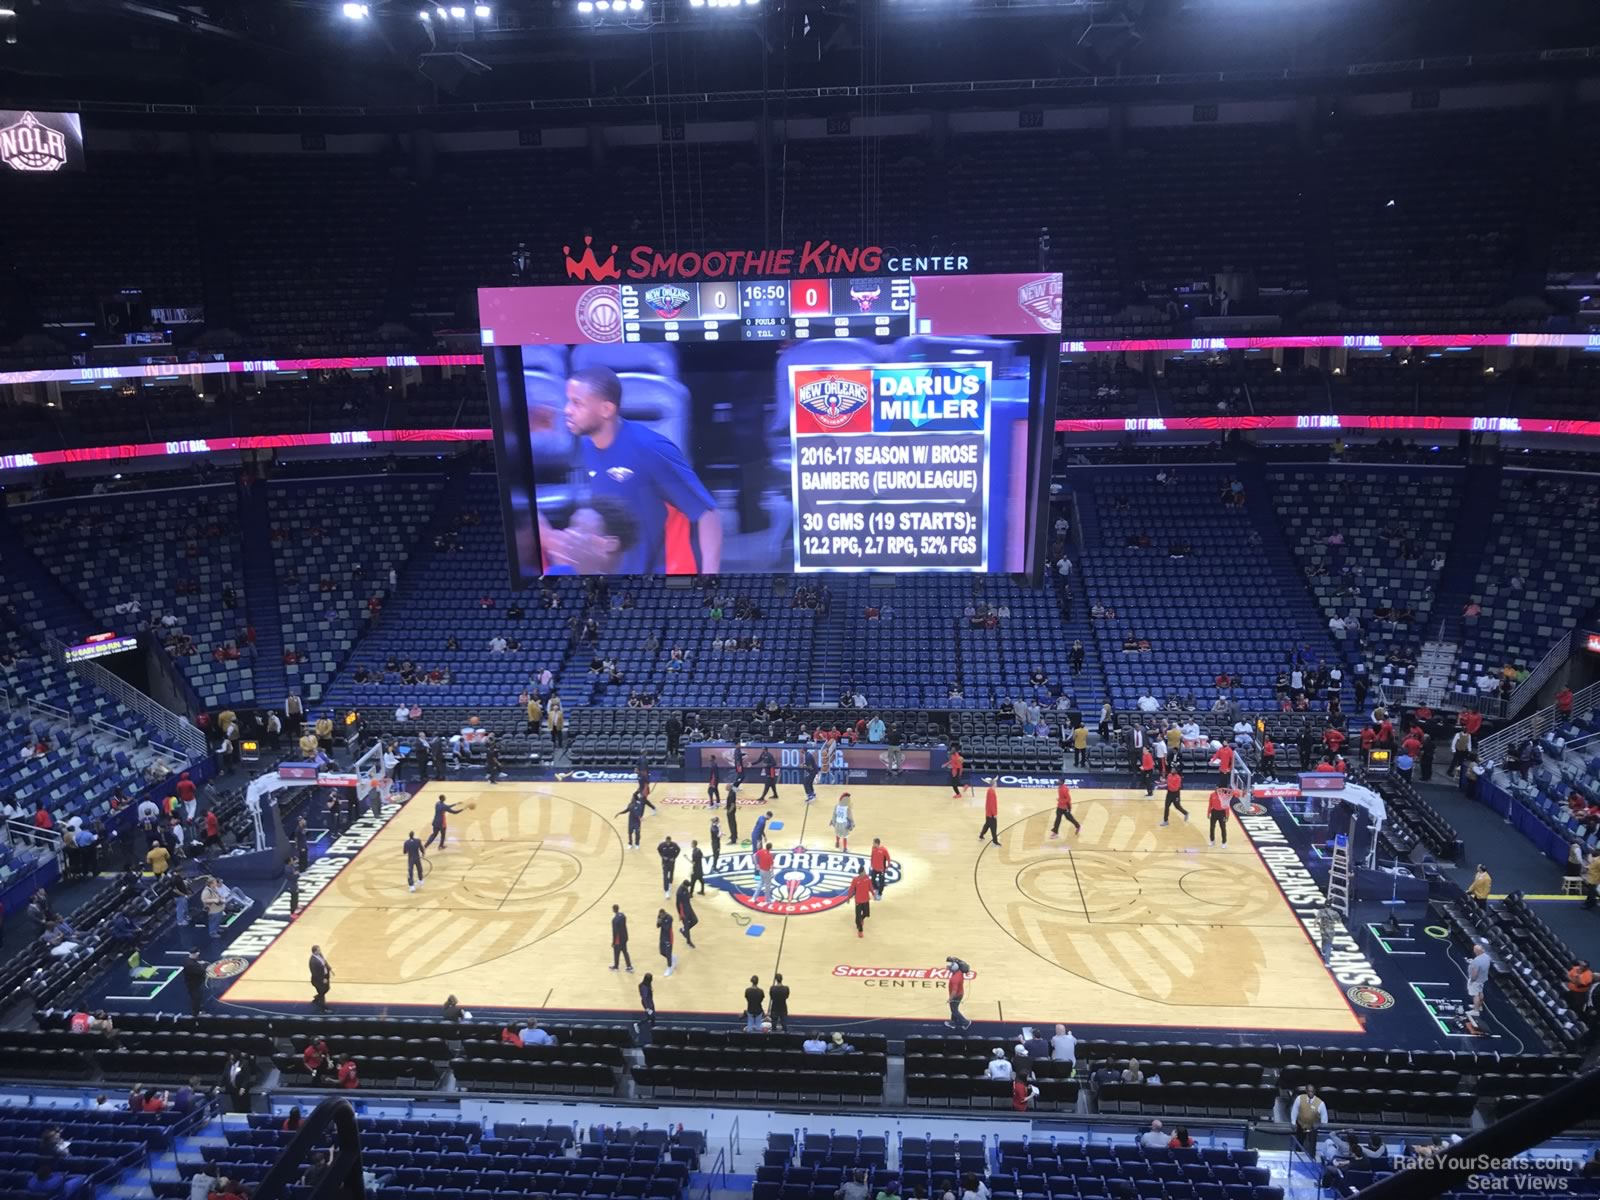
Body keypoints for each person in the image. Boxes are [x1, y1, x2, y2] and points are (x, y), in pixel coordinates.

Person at [538, 366, 721, 574]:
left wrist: (709, 580)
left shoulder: (651, 449)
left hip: (660, 579)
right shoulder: (586, 446)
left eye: (577, 403)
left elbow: (708, 515)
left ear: (606, 410)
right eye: (568, 401)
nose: (567, 410)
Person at [1291, 1085, 1327, 1156]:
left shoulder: (1321, 1103)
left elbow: (1324, 1121)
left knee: (1312, 1145)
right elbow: (1294, 1110)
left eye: (1312, 1091)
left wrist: (1318, 1124)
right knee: (1299, 1143)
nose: (1311, 1093)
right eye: (1309, 1091)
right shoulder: (1299, 1098)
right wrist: (1293, 1122)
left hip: (1312, 1128)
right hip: (1301, 1125)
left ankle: (1312, 1157)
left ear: (1315, 1092)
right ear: (1306, 1091)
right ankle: (1297, 1156)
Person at [944, 956, 972, 1029]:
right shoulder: (959, 971)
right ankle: (953, 1023)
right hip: (959, 993)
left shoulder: (955, 979)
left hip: (956, 995)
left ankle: (966, 1022)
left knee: (954, 1010)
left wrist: (950, 999)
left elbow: (954, 991)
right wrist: (952, 959)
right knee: (953, 1008)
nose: (949, 969)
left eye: (950, 969)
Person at [1466, 942, 1491, 1016]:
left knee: (1475, 995)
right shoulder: (1486, 956)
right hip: (1482, 978)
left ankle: (1475, 1011)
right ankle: (1479, 1006)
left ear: (1476, 951)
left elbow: (1475, 973)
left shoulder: (1476, 961)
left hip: (1476, 980)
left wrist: (1472, 981)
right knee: (1480, 992)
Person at [181, 948, 207, 1018]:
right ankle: (196, 1014)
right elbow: (201, 972)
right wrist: (202, 967)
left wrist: (198, 963)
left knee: (199, 996)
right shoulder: (190, 965)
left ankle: (199, 1010)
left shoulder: (189, 961)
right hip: (193, 984)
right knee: (196, 998)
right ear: (195, 954)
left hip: (196, 983)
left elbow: (195, 964)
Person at [674, 877, 699, 948]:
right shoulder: (679, 892)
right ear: (684, 885)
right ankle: (688, 942)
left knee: (695, 920)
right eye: (687, 887)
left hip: (689, 908)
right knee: (687, 926)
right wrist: (680, 914)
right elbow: (677, 904)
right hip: (683, 912)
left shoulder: (685, 888)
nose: (688, 888)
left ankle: (684, 930)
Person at [849, 867, 873, 938]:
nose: (865, 872)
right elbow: (851, 889)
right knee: (858, 915)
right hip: (858, 900)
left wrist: (873, 893)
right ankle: (860, 930)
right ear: (861, 872)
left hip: (866, 899)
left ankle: (861, 919)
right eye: (864, 871)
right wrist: (848, 897)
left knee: (866, 914)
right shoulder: (855, 880)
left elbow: (870, 886)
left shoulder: (867, 878)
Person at [610, 904, 634, 972]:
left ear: (614, 909)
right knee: (625, 952)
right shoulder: (623, 915)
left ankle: (616, 966)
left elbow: (615, 932)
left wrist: (614, 942)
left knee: (616, 953)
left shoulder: (614, 920)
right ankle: (629, 966)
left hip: (618, 939)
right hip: (624, 938)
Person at [309, 945, 333, 1011]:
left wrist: (330, 969)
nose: (320, 951)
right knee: (322, 992)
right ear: (315, 952)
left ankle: (317, 997)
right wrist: (322, 979)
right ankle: (324, 1008)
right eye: (318, 950)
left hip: (325, 976)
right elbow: (315, 974)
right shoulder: (313, 961)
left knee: (327, 988)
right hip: (318, 980)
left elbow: (324, 961)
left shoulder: (319, 954)